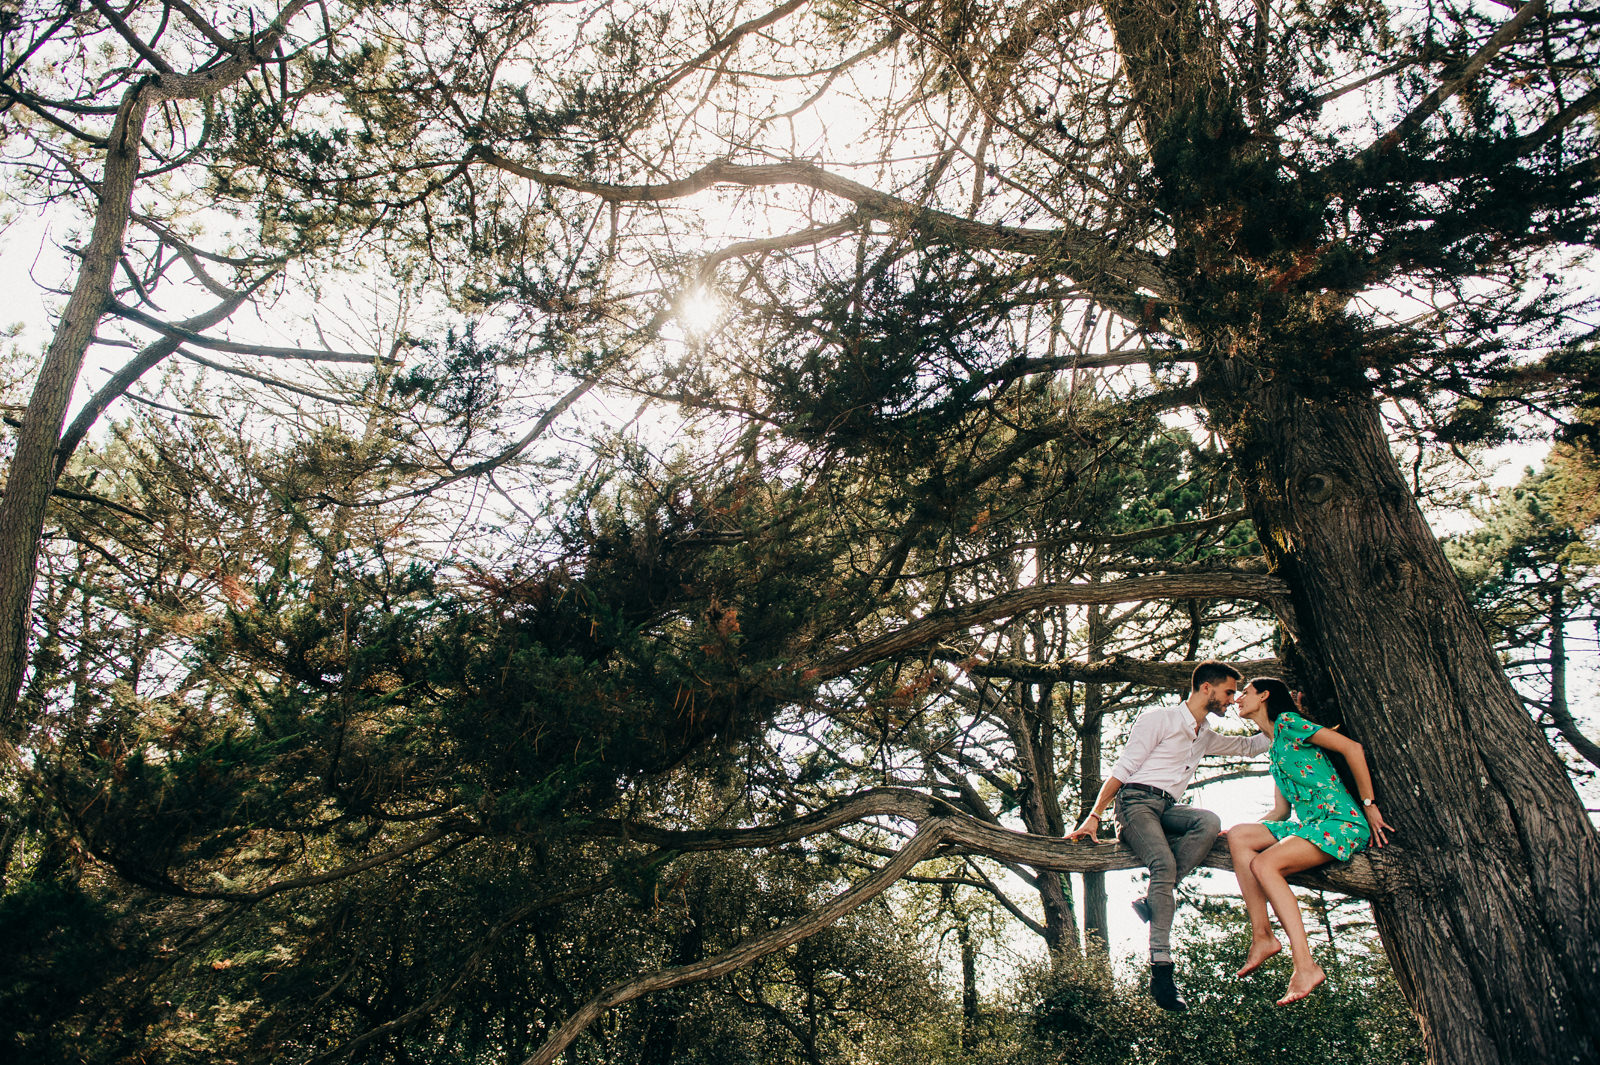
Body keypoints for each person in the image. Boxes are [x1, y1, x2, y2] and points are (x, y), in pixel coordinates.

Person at [1067, 660, 1269, 1011]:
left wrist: (1280, 715)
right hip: (1134, 804)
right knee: (1163, 865)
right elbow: (1123, 769)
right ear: (1206, 687)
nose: (1232, 700)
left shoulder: (1204, 734)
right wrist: (1094, 816)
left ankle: (1153, 901)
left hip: (1167, 809)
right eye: (1228, 692)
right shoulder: (1158, 718)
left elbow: (1250, 747)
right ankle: (1161, 972)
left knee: (1208, 821)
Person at [1227, 676, 1392, 1005]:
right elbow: (1280, 811)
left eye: (1244, 692)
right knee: (1238, 836)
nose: (1237, 699)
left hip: (1340, 822)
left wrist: (1370, 805)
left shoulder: (1289, 723)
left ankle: (1305, 966)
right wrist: (1248, 827)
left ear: (1264, 696)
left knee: (1265, 863)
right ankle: (1262, 936)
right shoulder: (1274, 750)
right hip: (1311, 825)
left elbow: (1352, 748)